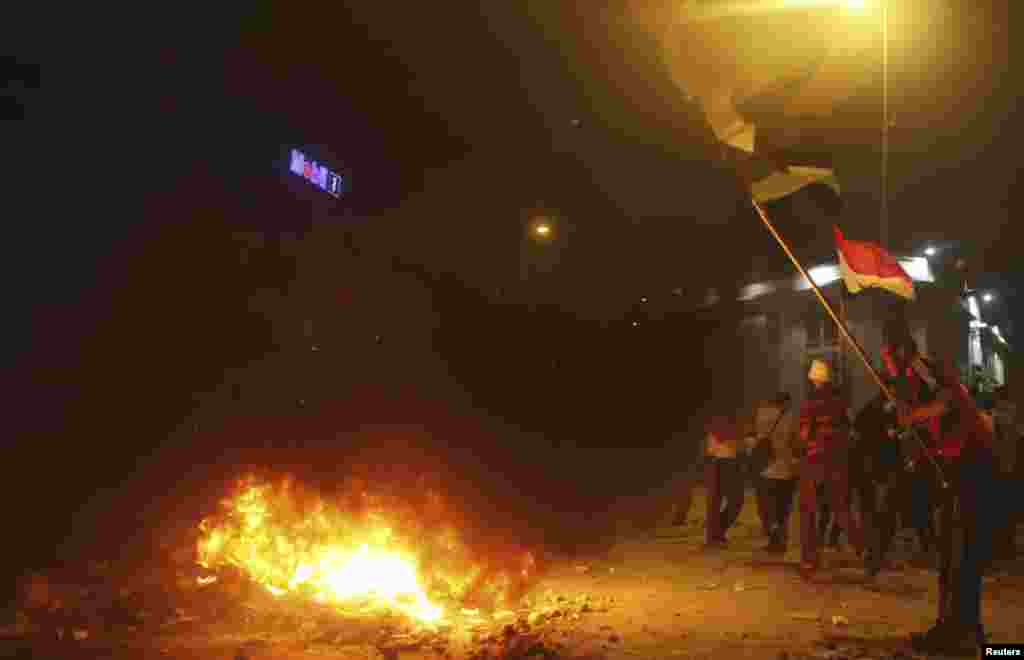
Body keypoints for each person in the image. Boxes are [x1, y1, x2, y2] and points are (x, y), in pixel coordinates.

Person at [880, 317, 996, 655]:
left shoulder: (922, 370)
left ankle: (965, 635)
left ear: (901, 350)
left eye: (887, 356)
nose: (885, 364)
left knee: (960, 554)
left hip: (973, 467)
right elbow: (931, 422)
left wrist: (912, 416)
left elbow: (947, 402)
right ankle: (954, 629)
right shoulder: (911, 378)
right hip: (955, 469)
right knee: (951, 554)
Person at [797, 359, 862, 577]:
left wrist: (805, 442)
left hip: (815, 460)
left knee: (808, 510)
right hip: (838, 460)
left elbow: (805, 434)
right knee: (841, 507)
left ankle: (809, 559)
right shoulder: (840, 402)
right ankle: (864, 548)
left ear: (813, 379)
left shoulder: (811, 403)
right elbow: (850, 431)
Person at [747, 392, 800, 553]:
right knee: (783, 509)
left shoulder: (762, 415)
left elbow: (753, 437)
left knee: (767, 508)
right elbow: (796, 443)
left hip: (766, 469)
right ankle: (780, 541)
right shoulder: (792, 419)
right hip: (786, 470)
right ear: (786, 403)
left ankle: (773, 539)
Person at [704, 411, 744, 548]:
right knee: (717, 502)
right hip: (721, 463)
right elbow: (711, 449)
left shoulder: (734, 426)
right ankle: (714, 534)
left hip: (728, 464)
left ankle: (716, 531)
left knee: (734, 501)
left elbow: (738, 447)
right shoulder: (716, 426)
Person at [992, 385, 1018, 560]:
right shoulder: (1006, 414)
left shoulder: (1003, 414)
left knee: (1004, 508)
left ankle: (1006, 545)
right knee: (1004, 509)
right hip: (1005, 466)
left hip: (1004, 467)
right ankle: (1005, 544)